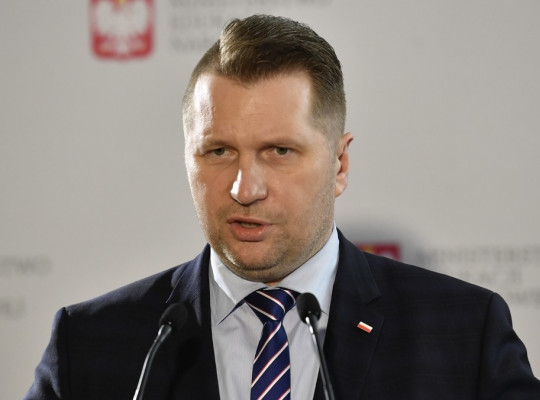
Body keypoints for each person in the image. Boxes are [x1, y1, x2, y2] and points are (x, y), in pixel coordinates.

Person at [26, 14, 540, 400]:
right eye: (218, 151)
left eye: (279, 151)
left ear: (339, 164)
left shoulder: (462, 334)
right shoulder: (92, 344)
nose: (245, 188)